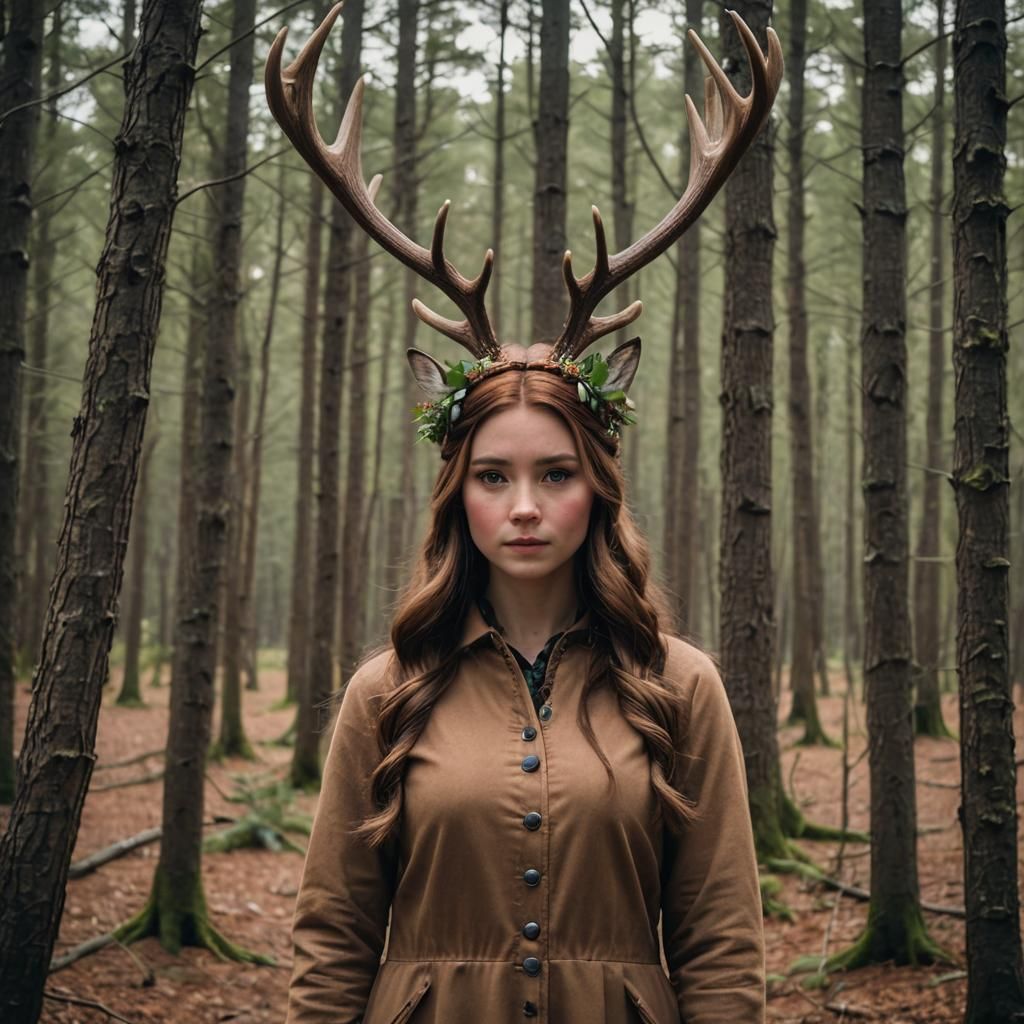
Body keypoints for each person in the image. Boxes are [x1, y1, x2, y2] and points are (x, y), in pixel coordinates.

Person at [266, 6, 783, 1022]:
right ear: (457, 493)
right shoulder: (385, 691)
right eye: (493, 477)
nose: (525, 506)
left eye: (555, 474)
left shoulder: (681, 688)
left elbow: (722, 943)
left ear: (598, 487)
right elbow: (331, 939)